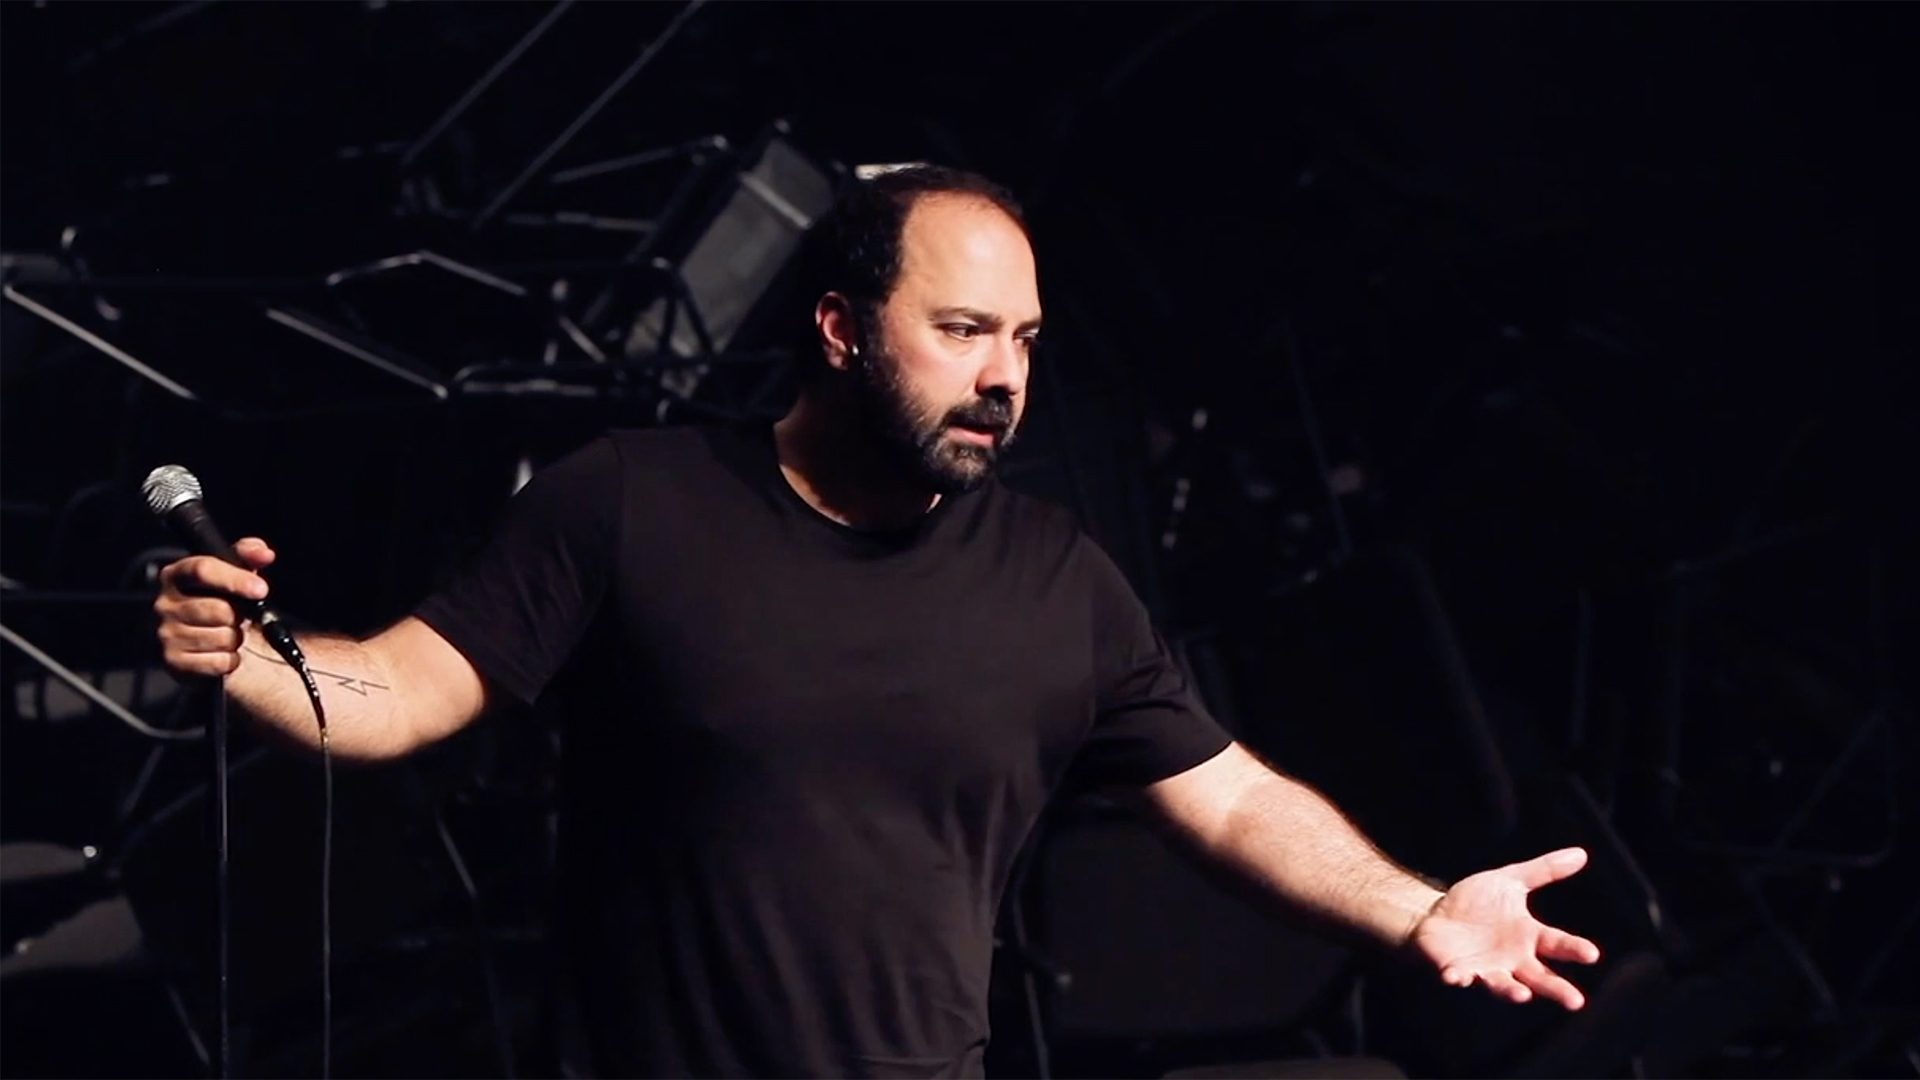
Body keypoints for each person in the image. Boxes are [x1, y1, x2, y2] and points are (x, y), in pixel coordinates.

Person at [153, 165, 1601, 1078]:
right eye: (961, 331)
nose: (1003, 377)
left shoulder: (1056, 578)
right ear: (843, 330)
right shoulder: (632, 503)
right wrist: (254, 662)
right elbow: (401, 688)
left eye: (1023, 340)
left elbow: (1228, 804)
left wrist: (1419, 907)